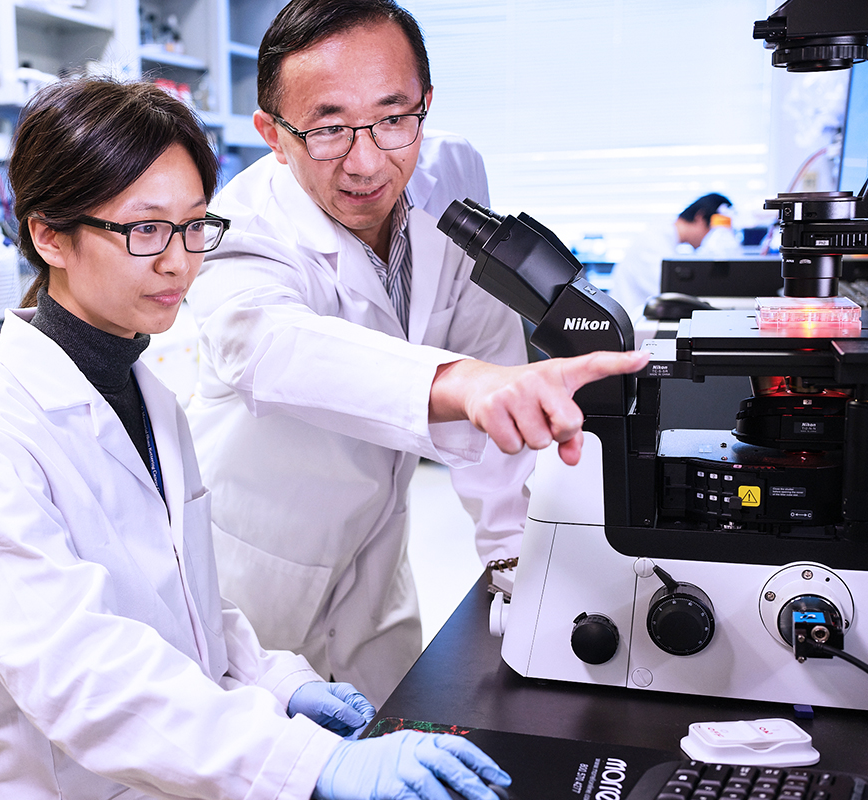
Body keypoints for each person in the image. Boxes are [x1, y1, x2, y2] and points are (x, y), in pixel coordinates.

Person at [0, 74, 517, 800]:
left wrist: (283, 683)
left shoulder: (148, 397)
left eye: (194, 225)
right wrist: (308, 764)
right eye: (144, 230)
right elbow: (88, 681)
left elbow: (191, 610)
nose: (179, 261)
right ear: (49, 235)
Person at [184, 0, 650, 707]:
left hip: (378, 555)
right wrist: (462, 382)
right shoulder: (236, 228)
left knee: (402, 734)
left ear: (425, 106)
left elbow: (487, 354)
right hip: (252, 574)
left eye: (395, 117)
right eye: (328, 128)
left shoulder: (452, 170)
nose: (367, 161)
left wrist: (511, 557)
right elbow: (276, 352)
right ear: (273, 135)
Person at [610, 192, 738, 318]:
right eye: (711, 230)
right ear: (699, 217)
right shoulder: (653, 242)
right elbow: (670, 294)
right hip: (629, 324)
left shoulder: (667, 240)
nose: (709, 238)